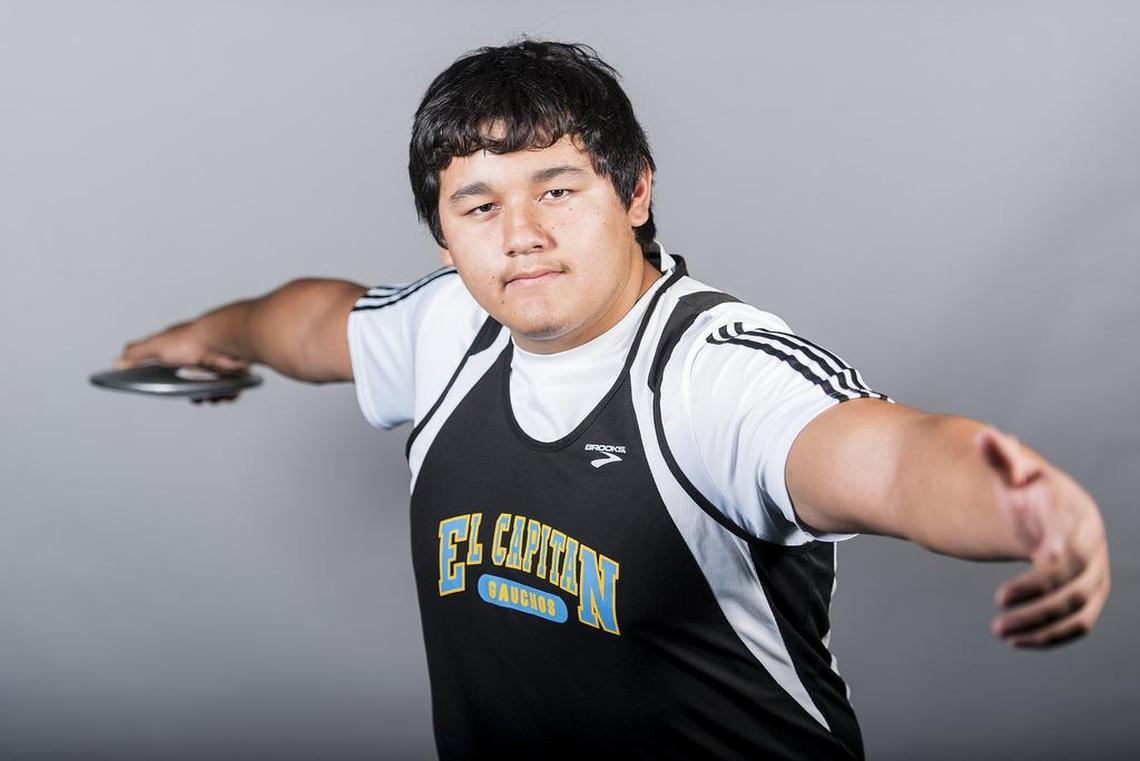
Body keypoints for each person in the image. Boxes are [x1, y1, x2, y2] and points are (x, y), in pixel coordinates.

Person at [115, 41, 1110, 760]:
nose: (519, 235)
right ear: (443, 236)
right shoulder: (443, 328)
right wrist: (212, 331)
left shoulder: (714, 371)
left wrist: (1032, 508)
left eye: (557, 189)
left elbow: (890, 458)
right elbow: (308, 320)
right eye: (479, 205)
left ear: (634, 192)